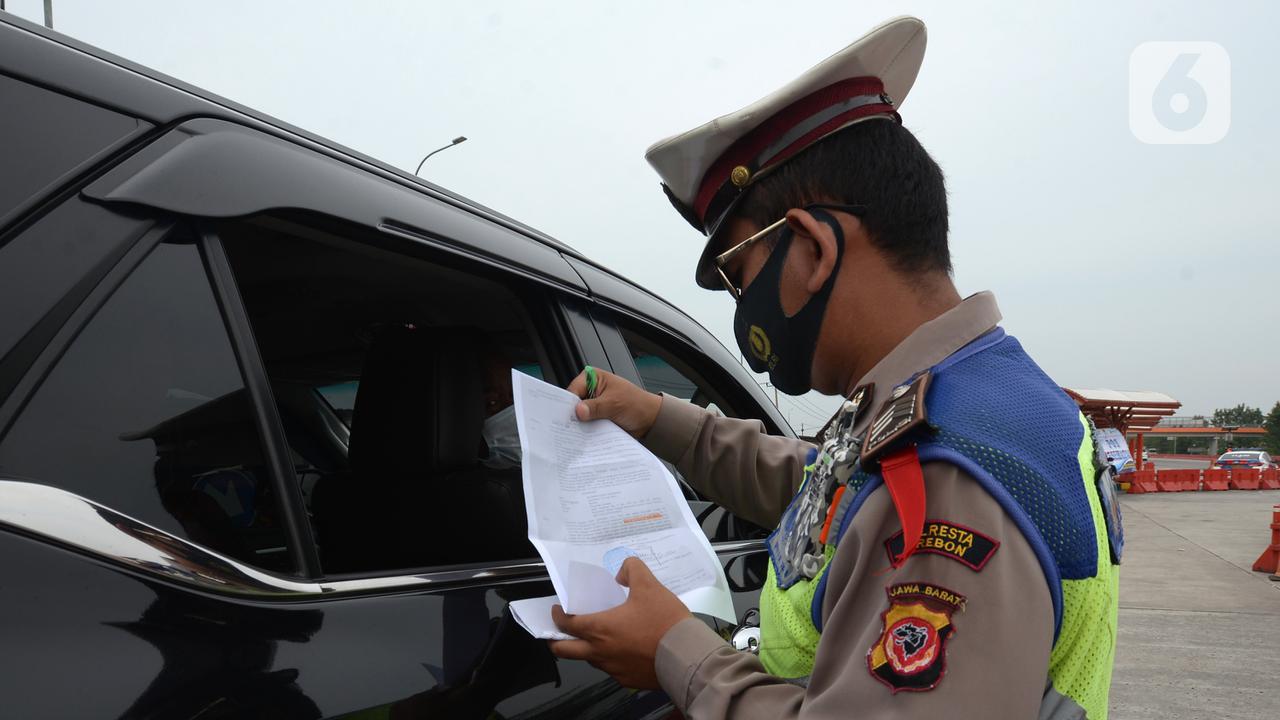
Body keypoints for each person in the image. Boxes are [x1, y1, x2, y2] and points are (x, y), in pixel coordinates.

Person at [546, 16, 1122, 720]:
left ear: (813, 250)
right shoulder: (983, 397)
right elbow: (830, 489)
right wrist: (659, 418)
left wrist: (677, 652)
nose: (745, 308)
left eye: (740, 278)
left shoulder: (946, 483)